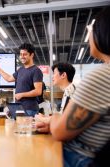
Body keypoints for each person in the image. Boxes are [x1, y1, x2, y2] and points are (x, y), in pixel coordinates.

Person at [50, 7, 110, 167]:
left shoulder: (102, 76)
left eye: (91, 28)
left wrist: (53, 118)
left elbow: (58, 132)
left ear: (103, 32)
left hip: (81, 158)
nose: (89, 33)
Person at [0, 43, 43, 116]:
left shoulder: (36, 71)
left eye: (25, 54)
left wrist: (22, 94)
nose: (22, 56)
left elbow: (38, 91)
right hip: (19, 108)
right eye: (21, 54)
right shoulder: (20, 70)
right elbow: (9, 78)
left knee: (27, 128)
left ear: (32, 55)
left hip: (30, 109)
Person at [35, 63, 76, 133]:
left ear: (63, 75)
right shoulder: (69, 90)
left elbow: (63, 120)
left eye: (54, 73)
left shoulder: (70, 91)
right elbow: (62, 116)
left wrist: (42, 119)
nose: (52, 77)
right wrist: (46, 118)